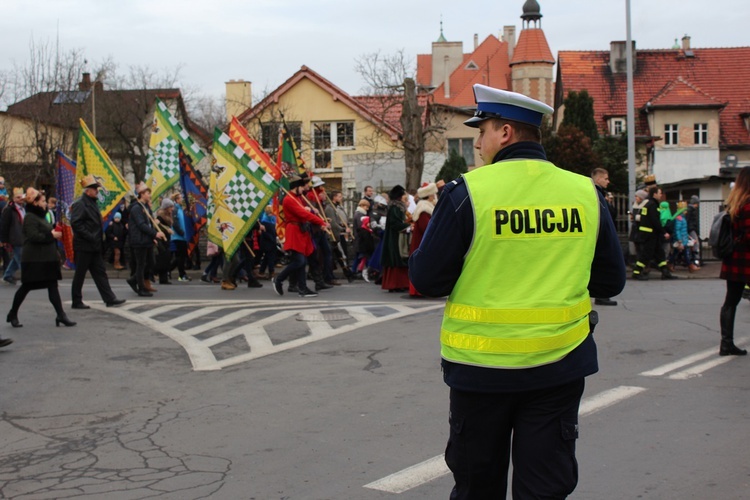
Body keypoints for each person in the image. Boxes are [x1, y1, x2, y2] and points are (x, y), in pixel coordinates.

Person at [409, 84, 626, 499]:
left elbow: (427, 279)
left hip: (480, 372)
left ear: (505, 133)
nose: (477, 142)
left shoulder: (467, 192)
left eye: (481, 131)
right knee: (544, 489)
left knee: (478, 487)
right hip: (558, 367)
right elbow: (609, 282)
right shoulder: (585, 193)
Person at [7, 188, 75, 328]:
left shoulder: (40, 216)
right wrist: (52, 235)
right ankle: (13, 313)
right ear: (36, 203)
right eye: (43, 201)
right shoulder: (30, 217)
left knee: (52, 286)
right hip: (34, 259)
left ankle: (61, 315)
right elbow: (33, 236)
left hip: (46, 258)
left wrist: (52, 231)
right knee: (26, 287)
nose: (46, 204)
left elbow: (41, 232)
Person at [69, 175, 126, 309]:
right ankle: (76, 301)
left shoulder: (92, 203)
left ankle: (109, 298)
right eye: (95, 189)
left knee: (100, 273)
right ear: (87, 190)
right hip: (84, 246)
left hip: (94, 246)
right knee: (80, 275)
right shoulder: (80, 204)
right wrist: (90, 236)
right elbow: (76, 223)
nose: (97, 191)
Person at [272, 175, 329, 298]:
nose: (305, 190)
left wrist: (312, 212)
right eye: (303, 187)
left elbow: (305, 212)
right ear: (296, 187)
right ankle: (279, 279)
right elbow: (303, 213)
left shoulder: (296, 198)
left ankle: (302, 288)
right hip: (294, 231)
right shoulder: (289, 199)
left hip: (301, 231)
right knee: (299, 261)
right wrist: (321, 222)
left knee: (301, 262)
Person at [718, 167, 750, 356]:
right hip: (746, 258)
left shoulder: (734, 203)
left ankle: (726, 343)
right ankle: (727, 344)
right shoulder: (748, 204)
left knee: (731, 301)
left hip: (734, 259)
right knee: (732, 300)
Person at [126, 183, 165, 297]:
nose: (149, 196)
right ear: (141, 194)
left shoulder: (146, 207)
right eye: (148, 193)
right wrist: (155, 234)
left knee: (150, 263)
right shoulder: (136, 208)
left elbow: (149, 223)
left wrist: (153, 237)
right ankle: (141, 288)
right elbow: (141, 225)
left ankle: (133, 280)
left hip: (146, 240)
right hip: (139, 241)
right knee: (141, 265)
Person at [632, 186, 678, 280]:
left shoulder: (648, 204)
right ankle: (636, 272)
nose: (661, 195)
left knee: (659, 253)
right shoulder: (653, 205)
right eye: (660, 193)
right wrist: (664, 232)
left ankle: (665, 272)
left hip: (649, 234)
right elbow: (655, 221)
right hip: (650, 234)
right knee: (646, 254)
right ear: (655, 194)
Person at [591, 168, 619, 305]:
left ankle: (601, 296)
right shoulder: (596, 193)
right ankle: (601, 296)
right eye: (606, 178)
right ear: (598, 179)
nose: (608, 181)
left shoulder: (598, 193)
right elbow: (609, 215)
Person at [408, 182, 437, 297]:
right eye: (433, 194)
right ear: (429, 195)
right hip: (422, 243)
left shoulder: (426, 206)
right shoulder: (424, 209)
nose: (435, 196)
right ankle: (417, 290)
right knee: (422, 268)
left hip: (422, 241)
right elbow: (426, 227)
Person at [380, 184, 411, 292]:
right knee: (396, 259)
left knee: (397, 259)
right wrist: (408, 227)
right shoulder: (395, 208)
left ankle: (399, 284)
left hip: (396, 236)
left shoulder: (397, 207)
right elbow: (395, 223)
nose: (405, 197)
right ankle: (395, 284)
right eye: (403, 195)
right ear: (399, 197)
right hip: (395, 237)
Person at [1, 187, 26, 285]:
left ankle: (7, 275)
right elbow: (4, 225)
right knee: (20, 258)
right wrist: (4, 239)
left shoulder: (23, 208)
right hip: (15, 237)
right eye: (18, 197)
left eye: (21, 197)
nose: (20, 199)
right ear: (14, 198)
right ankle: (26, 277)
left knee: (16, 259)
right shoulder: (9, 210)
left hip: (22, 237)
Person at [169, 192, 190, 281]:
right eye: (180, 198)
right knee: (181, 256)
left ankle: (167, 270)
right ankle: (181, 275)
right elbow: (174, 223)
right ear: (176, 200)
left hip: (183, 237)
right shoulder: (175, 210)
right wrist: (181, 232)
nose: (182, 199)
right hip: (178, 237)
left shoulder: (181, 209)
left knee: (181, 256)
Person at [686, 195, 701, 265]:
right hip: (691, 229)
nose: (697, 205)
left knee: (691, 244)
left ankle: (692, 259)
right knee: (695, 243)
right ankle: (695, 260)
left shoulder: (689, 209)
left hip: (690, 229)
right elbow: (690, 221)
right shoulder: (691, 210)